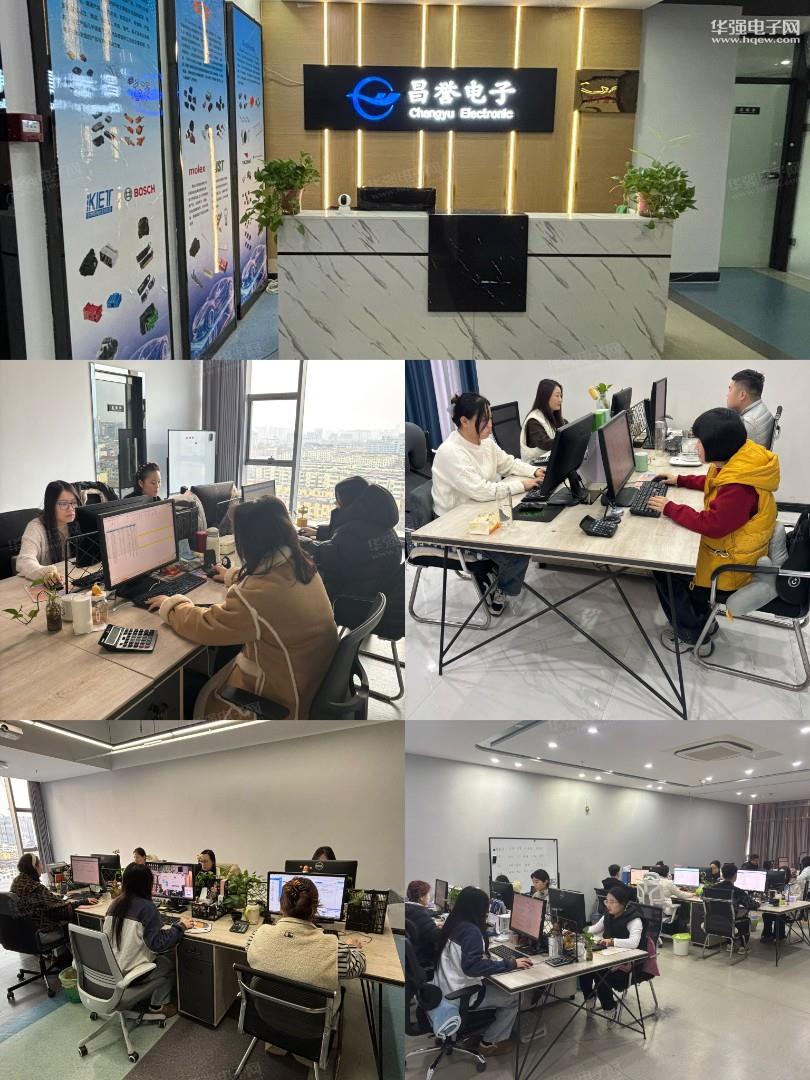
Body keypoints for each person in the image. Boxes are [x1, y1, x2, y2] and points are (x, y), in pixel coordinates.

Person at [146, 496, 337, 720]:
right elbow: (269, 582)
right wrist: (232, 575)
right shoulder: (301, 564)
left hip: (279, 699)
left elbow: (206, 626)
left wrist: (171, 605)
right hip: (308, 681)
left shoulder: (257, 596)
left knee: (185, 690)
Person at [649, 408, 779, 656]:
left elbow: (713, 525)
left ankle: (692, 633)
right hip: (732, 550)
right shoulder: (740, 460)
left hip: (729, 568)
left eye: (699, 441)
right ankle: (701, 621)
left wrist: (670, 508)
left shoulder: (739, 488)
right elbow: (715, 481)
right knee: (671, 559)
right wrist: (681, 480)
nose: (695, 445)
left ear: (716, 448)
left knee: (666, 570)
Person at [431, 393, 546, 616]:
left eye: (490, 418)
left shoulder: (485, 442)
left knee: (527, 533)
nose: (490, 425)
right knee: (518, 553)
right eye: (484, 420)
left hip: (481, 511)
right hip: (456, 524)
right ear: (464, 421)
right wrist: (522, 484)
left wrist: (534, 471)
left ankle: (495, 572)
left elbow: (508, 463)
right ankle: (499, 588)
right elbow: (482, 491)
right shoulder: (451, 452)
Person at [247, 877, 365, 1057]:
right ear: (315, 908)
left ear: (281, 905)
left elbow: (249, 948)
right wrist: (354, 947)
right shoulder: (333, 948)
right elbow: (358, 967)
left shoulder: (259, 935)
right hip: (313, 1027)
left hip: (267, 1015)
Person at [433, 885, 532, 1058]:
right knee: (515, 997)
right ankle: (490, 1042)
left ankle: (479, 1032)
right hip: (461, 994)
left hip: (443, 987)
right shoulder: (471, 931)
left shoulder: (453, 923)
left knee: (496, 985)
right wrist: (511, 964)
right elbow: (473, 968)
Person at [104, 862, 192, 1017]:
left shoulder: (115, 904)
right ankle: (157, 1005)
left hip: (112, 969)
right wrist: (180, 927)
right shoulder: (147, 907)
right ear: (147, 884)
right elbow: (158, 944)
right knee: (170, 961)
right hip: (131, 973)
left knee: (160, 955)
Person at [299, 476, 402, 603]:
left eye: (338, 500)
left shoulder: (351, 532)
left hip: (351, 598)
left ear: (348, 502)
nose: (336, 504)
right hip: (374, 593)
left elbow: (325, 555)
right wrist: (318, 532)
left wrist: (297, 540)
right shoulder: (381, 524)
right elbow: (352, 542)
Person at [579, 886, 645, 1011]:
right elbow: (594, 929)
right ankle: (590, 997)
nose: (608, 905)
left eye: (612, 902)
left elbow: (634, 943)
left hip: (626, 962)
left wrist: (612, 941)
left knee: (600, 974)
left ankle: (609, 1007)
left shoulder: (634, 919)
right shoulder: (608, 915)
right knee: (583, 969)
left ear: (623, 903)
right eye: (607, 901)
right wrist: (581, 932)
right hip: (609, 957)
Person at [10, 854, 98, 935]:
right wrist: (82, 901)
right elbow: (62, 910)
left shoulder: (16, 882)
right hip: (43, 930)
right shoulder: (36, 887)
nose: (41, 866)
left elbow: (45, 899)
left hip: (26, 932)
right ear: (34, 867)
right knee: (75, 919)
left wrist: (63, 896)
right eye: (40, 863)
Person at [16, 480, 82, 584]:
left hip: (74, 577)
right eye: (63, 504)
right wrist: (44, 573)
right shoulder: (35, 528)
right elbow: (24, 561)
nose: (71, 508)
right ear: (51, 506)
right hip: (49, 584)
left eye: (74, 503)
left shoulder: (79, 521)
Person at [706, 862, 759, 948]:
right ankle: (742, 947)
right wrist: (758, 903)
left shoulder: (711, 889)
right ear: (735, 875)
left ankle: (730, 944)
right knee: (745, 917)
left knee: (728, 913)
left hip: (713, 922)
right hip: (729, 922)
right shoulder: (737, 891)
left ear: (722, 874)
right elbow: (751, 905)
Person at [725, 369, 775, 447]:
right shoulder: (761, 408)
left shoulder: (748, 424)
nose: (727, 395)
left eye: (730, 389)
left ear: (742, 395)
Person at [520, 380, 567, 460]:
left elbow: (567, 427)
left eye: (561, 396)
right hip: (534, 465)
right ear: (545, 397)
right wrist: (568, 439)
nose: (560, 400)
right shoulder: (533, 421)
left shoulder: (553, 415)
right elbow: (545, 443)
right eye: (557, 396)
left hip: (551, 460)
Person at [406, 880, 440, 970]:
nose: (429, 897)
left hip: (413, 952)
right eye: (428, 895)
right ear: (421, 897)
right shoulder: (419, 913)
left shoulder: (407, 907)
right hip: (423, 956)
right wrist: (448, 928)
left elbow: (420, 924)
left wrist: (433, 923)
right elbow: (436, 936)